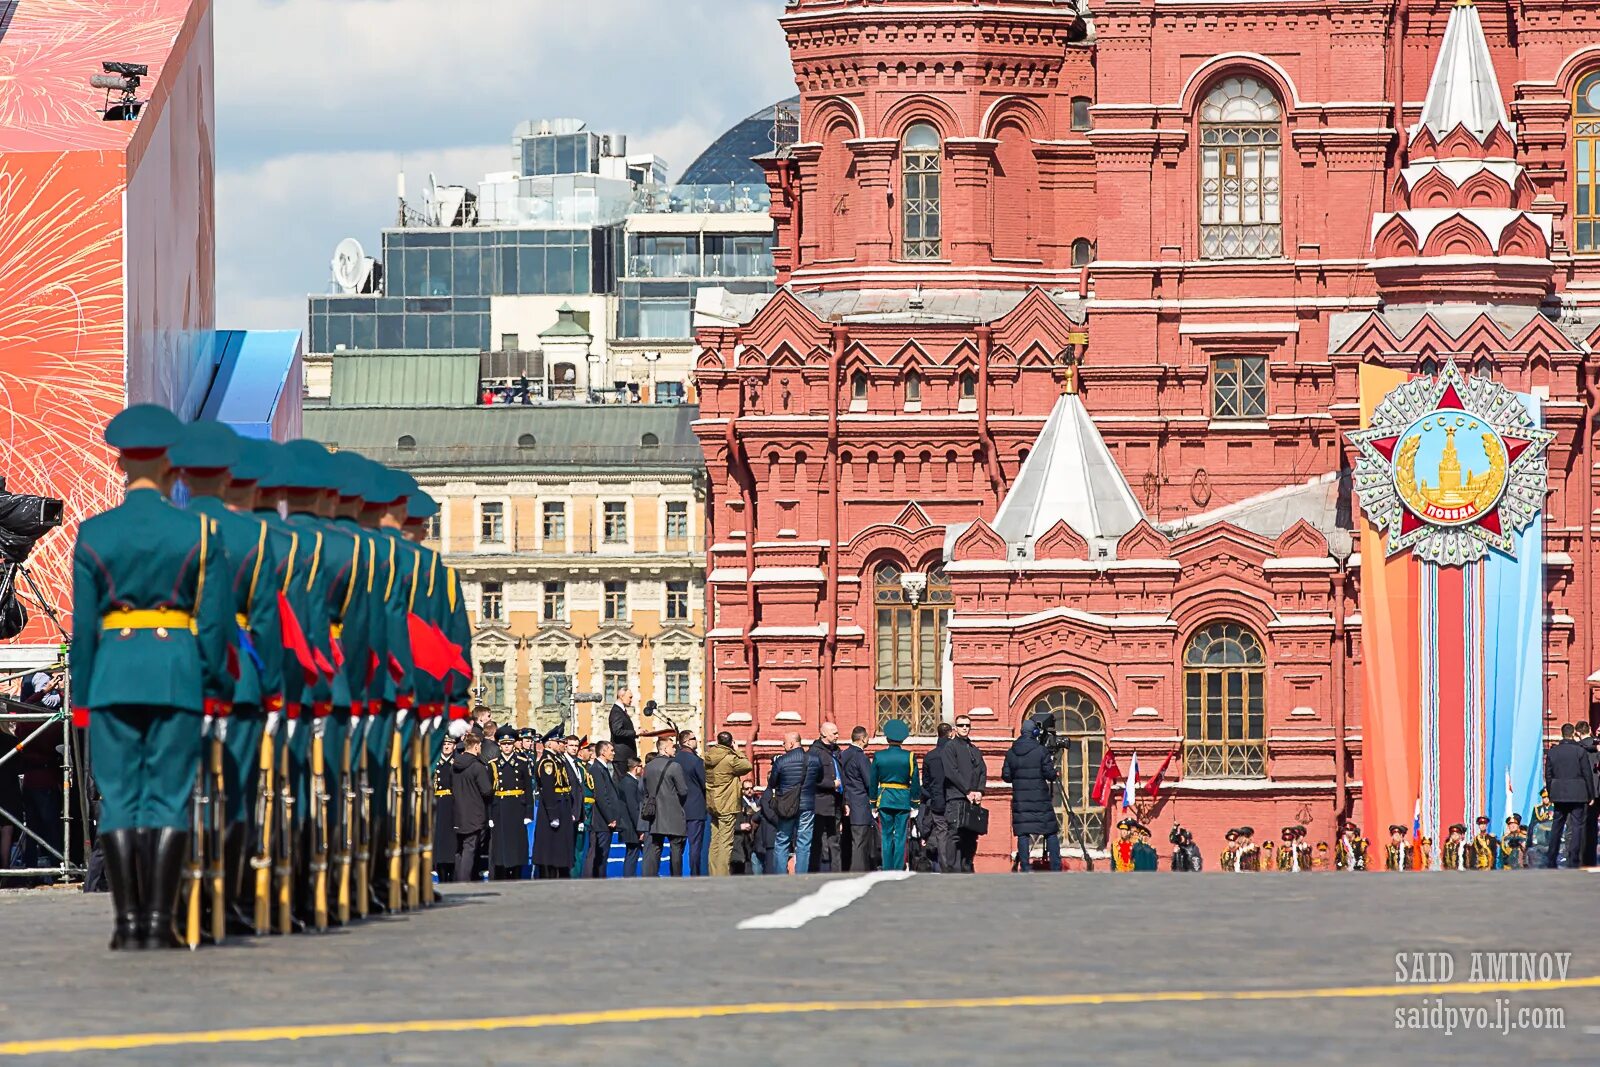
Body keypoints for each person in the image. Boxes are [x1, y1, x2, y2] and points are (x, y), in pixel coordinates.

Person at [72, 405, 232, 949]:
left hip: (114, 673)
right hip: (178, 673)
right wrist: (212, 686)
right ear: (169, 465)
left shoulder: (95, 533)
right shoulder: (200, 533)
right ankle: (159, 922)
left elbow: (85, 627)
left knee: (119, 799)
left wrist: (82, 698)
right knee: (168, 797)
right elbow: (212, 627)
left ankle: (127, 923)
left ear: (119, 463)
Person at [1001, 714, 1059, 873]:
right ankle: (1055, 867)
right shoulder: (1041, 751)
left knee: (1023, 833)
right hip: (1040, 798)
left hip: (1020, 799)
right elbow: (1049, 774)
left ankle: (1025, 867)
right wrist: (1055, 773)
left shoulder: (1011, 752)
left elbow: (1006, 777)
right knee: (1050, 831)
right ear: (1034, 733)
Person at [1542, 722, 1595, 868]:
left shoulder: (1553, 752)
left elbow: (1548, 775)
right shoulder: (1580, 751)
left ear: (1561, 734)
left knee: (1557, 826)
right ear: (1573, 734)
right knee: (1577, 827)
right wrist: (1591, 794)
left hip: (1559, 793)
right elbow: (1587, 774)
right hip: (1578, 794)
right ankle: (1574, 860)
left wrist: (1551, 792)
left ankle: (1551, 858)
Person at [869, 718, 918, 872]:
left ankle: (887, 868)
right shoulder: (909, 756)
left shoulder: (878, 756)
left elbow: (873, 781)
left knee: (886, 836)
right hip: (903, 800)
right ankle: (898, 868)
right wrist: (915, 803)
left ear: (887, 737)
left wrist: (872, 802)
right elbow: (915, 782)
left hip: (885, 798)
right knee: (901, 837)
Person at [941, 715, 987, 873]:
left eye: (967, 725)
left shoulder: (974, 749)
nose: (965, 728)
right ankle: (951, 869)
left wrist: (980, 791)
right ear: (955, 728)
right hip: (956, 798)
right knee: (954, 834)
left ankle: (968, 866)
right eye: (961, 725)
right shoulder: (950, 747)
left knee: (971, 836)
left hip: (973, 800)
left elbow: (982, 770)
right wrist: (967, 790)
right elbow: (951, 772)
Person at [703, 731, 752, 876]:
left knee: (715, 841)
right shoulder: (730, 759)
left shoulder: (708, 757)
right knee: (726, 842)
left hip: (713, 803)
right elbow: (747, 765)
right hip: (727, 805)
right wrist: (738, 751)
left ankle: (713, 872)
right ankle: (722, 875)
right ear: (731, 743)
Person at [449, 730, 493, 883]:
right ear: (476, 747)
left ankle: (458, 878)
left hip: (457, 812)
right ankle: (464, 881)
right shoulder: (477, 767)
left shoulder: (454, 766)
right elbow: (486, 791)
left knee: (460, 849)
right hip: (474, 813)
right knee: (470, 847)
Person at [642, 735, 688, 877]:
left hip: (655, 813)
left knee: (656, 846)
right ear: (664, 748)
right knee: (675, 847)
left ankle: (651, 877)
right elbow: (683, 790)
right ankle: (676, 877)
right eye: (672, 746)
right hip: (674, 812)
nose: (674, 749)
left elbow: (644, 789)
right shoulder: (674, 766)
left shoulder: (648, 767)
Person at [765, 732, 810, 875]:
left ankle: (780, 875)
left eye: (784, 743)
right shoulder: (813, 759)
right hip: (806, 804)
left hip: (786, 805)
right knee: (803, 842)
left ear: (791, 743)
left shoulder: (781, 761)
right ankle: (801, 874)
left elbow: (772, 782)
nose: (783, 745)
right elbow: (819, 777)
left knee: (782, 840)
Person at [532, 735, 576, 878]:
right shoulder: (547, 762)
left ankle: (561, 872)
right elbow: (548, 789)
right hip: (554, 806)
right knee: (551, 845)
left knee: (561, 845)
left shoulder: (558, 760)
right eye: (559, 742)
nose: (562, 744)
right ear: (549, 744)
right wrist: (552, 814)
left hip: (563, 803)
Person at [489, 726, 529, 879]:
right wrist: (490, 815)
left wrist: (528, 812)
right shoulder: (493, 764)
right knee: (501, 843)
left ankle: (517, 872)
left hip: (517, 806)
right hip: (500, 807)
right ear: (499, 745)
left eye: (509, 744)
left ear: (513, 745)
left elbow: (528, 789)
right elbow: (490, 792)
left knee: (516, 842)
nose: (506, 747)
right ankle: (502, 873)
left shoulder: (522, 762)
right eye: (504, 744)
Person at [836, 725, 875, 872]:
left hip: (845, 803)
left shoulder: (843, 755)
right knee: (859, 843)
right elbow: (870, 782)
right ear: (863, 739)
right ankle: (857, 874)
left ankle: (845, 871)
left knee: (847, 841)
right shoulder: (861, 757)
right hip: (860, 806)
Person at [807, 723, 845, 873]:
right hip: (820, 803)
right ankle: (814, 871)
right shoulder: (814, 752)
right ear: (823, 734)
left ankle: (837, 872)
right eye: (834, 733)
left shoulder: (836, 751)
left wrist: (845, 802)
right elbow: (811, 779)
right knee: (817, 840)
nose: (837, 735)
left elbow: (843, 777)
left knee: (834, 840)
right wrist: (831, 784)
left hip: (835, 802)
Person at [673, 729, 708, 876]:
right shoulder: (696, 761)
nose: (696, 741)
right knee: (695, 846)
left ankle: (675, 874)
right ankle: (695, 874)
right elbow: (704, 784)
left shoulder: (673, 761)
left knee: (676, 847)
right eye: (694, 738)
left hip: (677, 808)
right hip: (696, 808)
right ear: (686, 742)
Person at [918, 723, 952, 872]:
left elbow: (925, 782)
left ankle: (942, 866)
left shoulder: (930, 756)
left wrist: (932, 796)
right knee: (953, 834)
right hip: (954, 800)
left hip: (937, 802)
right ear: (950, 734)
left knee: (941, 833)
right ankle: (951, 866)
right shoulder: (955, 753)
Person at [588, 741, 624, 879]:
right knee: (601, 855)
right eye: (611, 750)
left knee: (604, 854)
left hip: (605, 820)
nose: (613, 753)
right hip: (601, 821)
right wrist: (610, 818)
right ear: (603, 752)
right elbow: (601, 796)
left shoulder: (603, 768)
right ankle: (599, 880)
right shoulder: (597, 769)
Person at [432, 735, 457, 883]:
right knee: (439, 839)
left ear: (454, 746)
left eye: (450, 744)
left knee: (451, 840)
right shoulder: (435, 764)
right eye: (444, 743)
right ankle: (439, 868)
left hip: (452, 804)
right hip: (438, 803)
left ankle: (451, 869)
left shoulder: (456, 764)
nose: (447, 746)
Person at [617, 758, 645, 876]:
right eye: (641, 766)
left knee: (633, 853)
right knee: (632, 854)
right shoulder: (629, 783)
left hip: (631, 825)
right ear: (636, 767)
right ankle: (629, 879)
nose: (642, 768)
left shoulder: (629, 781)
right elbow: (633, 807)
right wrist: (640, 829)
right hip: (631, 826)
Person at [608, 690, 638, 775]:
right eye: (630, 697)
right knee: (621, 781)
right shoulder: (617, 711)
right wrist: (634, 733)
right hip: (621, 755)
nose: (631, 700)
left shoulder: (621, 711)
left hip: (625, 755)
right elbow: (616, 731)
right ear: (621, 696)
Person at [1527, 788, 1554, 868]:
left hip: (1552, 834)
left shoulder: (1554, 807)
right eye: (1543, 797)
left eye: (1547, 797)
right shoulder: (1537, 808)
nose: (1545, 799)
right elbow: (1533, 823)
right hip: (1540, 836)